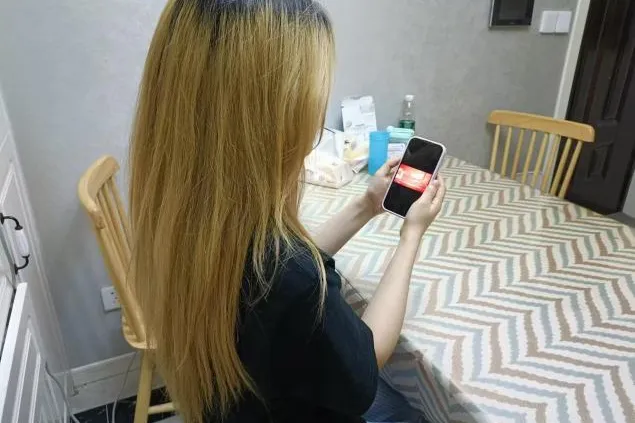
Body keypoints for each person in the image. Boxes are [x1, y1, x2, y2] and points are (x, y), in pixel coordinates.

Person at [128, 1, 446, 423]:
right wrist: (411, 236)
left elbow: (277, 279)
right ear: (272, 119)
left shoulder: (185, 223)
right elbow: (366, 366)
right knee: (422, 410)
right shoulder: (290, 275)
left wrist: (366, 205)